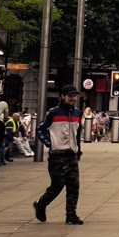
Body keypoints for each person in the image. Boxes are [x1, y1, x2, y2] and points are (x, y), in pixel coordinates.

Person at [33, 86, 84, 224]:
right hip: (57, 155)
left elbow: (77, 134)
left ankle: (71, 215)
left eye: (74, 96)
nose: (73, 98)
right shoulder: (53, 113)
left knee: (73, 186)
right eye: (70, 96)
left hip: (71, 155)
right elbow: (40, 129)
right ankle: (41, 204)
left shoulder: (77, 114)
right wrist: (50, 143)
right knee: (57, 185)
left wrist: (78, 150)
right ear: (63, 96)